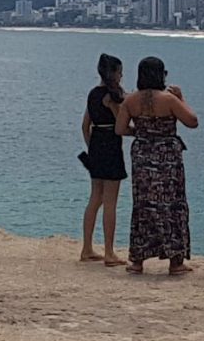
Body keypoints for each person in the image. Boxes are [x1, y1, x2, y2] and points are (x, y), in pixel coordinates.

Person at [116, 55, 198, 275]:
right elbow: (192, 121)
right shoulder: (169, 100)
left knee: (143, 205)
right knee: (172, 206)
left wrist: (142, 133)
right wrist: (182, 98)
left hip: (142, 155)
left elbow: (120, 129)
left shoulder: (130, 101)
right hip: (167, 157)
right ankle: (175, 261)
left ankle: (137, 260)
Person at [79, 53, 127, 265]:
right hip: (111, 143)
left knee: (94, 198)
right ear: (113, 73)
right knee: (110, 201)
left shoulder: (92, 94)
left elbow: (84, 126)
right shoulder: (111, 96)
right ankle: (109, 251)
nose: (121, 75)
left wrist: (92, 149)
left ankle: (87, 248)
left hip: (96, 143)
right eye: (119, 71)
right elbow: (120, 125)